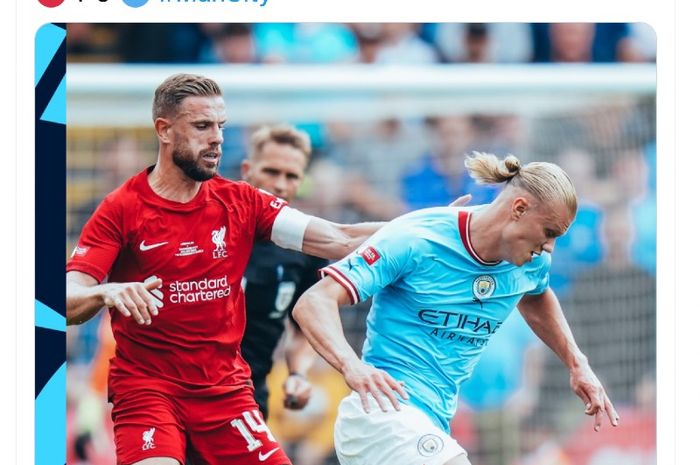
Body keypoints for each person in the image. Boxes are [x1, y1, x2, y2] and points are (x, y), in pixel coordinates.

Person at [65, 73, 393, 465]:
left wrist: (430, 226)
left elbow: (339, 237)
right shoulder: (122, 208)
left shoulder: (242, 202)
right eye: (202, 126)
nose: (217, 138)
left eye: (221, 126)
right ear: (164, 131)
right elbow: (67, 298)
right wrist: (104, 292)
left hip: (225, 392)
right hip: (149, 390)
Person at [292, 152, 620, 465]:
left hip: (430, 423)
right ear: (519, 208)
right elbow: (313, 302)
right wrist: (352, 366)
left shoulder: (529, 263)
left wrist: (578, 364)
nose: (549, 247)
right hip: (382, 413)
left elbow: (537, 295)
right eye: (549, 233)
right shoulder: (418, 238)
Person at [238, 124, 326, 419]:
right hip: (186, 389)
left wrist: (298, 373)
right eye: (271, 171)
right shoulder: (211, 226)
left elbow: (303, 329)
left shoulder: (304, 248)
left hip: (249, 394)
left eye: (291, 176)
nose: (280, 184)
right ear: (247, 169)